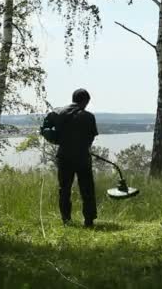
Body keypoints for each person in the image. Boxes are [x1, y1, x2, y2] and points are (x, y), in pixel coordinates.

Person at [56, 88, 99, 227]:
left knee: (64, 189)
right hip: (82, 158)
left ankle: (66, 220)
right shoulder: (88, 116)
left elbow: (56, 135)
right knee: (87, 189)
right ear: (85, 101)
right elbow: (91, 138)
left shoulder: (60, 113)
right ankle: (89, 220)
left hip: (63, 157)